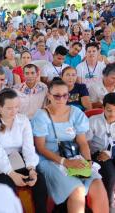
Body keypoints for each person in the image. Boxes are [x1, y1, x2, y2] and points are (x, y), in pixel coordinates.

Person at [31, 79, 109, 213]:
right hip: (49, 160)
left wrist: (88, 160)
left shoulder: (76, 113)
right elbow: (41, 148)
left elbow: (83, 142)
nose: (61, 99)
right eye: (56, 95)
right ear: (49, 95)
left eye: (65, 95)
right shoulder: (41, 116)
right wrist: (64, 162)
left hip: (73, 156)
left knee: (98, 186)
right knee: (77, 190)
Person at [0, 88, 47, 213]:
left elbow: (29, 147)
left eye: (17, 107)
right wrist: (11, 173)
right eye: (9, 108)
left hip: (16, 157)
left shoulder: (23, 120)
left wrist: (32, 169)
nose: (14, 111)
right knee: (7, 187)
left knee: (39, 181)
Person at [86, 92, 115, 209]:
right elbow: (86, 143)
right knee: (109, 173)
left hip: (112, 153)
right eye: (109, 110)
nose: (113, 114)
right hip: (98, 155)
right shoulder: (93, 120)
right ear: (103, 108)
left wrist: (111, 153)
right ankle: (107, 206)